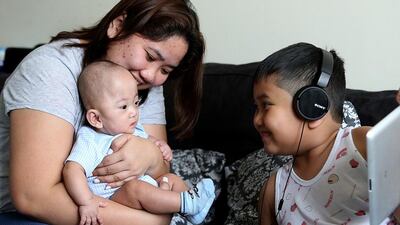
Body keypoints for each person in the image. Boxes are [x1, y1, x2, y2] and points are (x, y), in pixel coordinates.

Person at [0, 0, 205, 224]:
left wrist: (150, 156)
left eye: (165, 70)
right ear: (117, 26)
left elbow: (161, 171)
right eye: (150, 56)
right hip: (24, 214)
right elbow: (33, 197)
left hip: (108, 205)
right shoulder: (51, 69)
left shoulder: (143, 82)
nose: (152, 76)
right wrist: (155, 222)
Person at [63, 60, 215, 225]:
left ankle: (193, 211)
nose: (134, 112)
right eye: (123, 107)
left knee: (170, 178)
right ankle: (185, 203)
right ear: (96, 118)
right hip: (116, 196)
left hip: (148, 188)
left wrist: (160, 146)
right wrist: (86, 201)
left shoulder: (133, 128)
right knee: (135, 188)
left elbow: (149, 141)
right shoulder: (91, 138)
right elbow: (72, 169)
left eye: (135, 103)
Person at [254, 43, 372, 224]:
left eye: (266, 105)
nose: (256, 120)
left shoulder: (363, 144)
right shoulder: (273, 190)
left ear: (311, 105)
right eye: (256, 108)